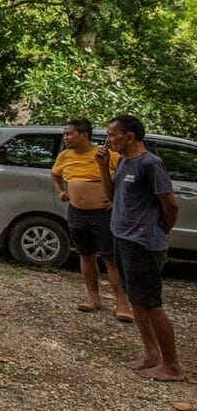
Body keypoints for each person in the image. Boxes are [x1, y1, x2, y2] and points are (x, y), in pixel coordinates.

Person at [97, 115, 183, 381]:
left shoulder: (150, 164)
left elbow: (170, 206)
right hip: (122, 237)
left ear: (129, 136)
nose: (108, 140)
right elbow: (112, 196)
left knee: (150, 303)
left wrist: (156, 232)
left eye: (112, 135)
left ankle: (172, 365)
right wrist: (102, 167)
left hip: (143, 243)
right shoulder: (123, 160)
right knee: (137, 301)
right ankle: (151, 354)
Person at [50, 119, 131, 321]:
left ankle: (123, 304)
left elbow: (126, 178)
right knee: (85, 255)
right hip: (77, 212)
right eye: (64, 134)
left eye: (69, 134)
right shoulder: (64, 156)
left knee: (111, 259)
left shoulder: (107, 155)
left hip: (102, 214)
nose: (65, 138)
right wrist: (60, 190)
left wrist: (116, 201)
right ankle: (93, 298)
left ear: (84, 135)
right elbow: (54, 175)